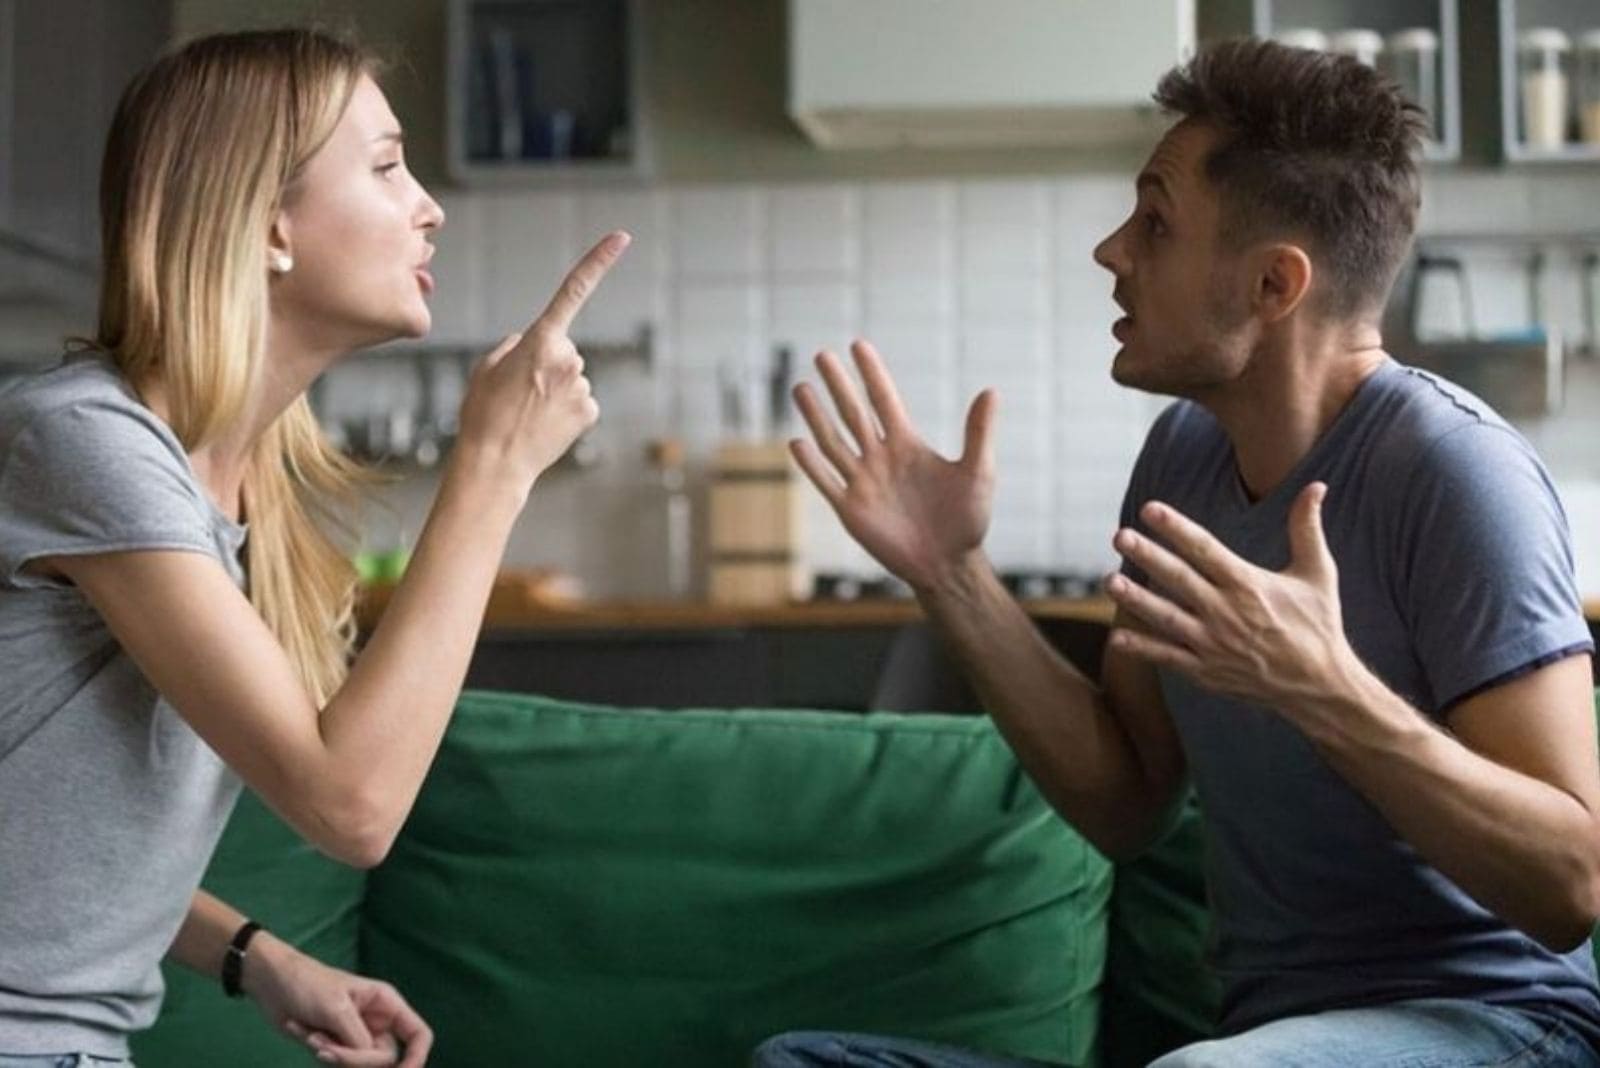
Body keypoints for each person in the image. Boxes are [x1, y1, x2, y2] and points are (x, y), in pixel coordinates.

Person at [755, 38, 1600, 1068]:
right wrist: (949, 571)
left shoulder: (1455, 473)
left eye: (1154, 222)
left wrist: (1324, 688)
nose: (1112, 252)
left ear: (1272, 285)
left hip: (1502, 1027)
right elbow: (1125, 797)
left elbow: (1570, 883)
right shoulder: (1183, 455)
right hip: (1254, 1045)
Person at [0, 28, 628, 1067]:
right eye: (386, 167)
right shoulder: (82, 441)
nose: (429, 205)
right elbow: (352, 810)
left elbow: (53, 832)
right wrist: (496, 467)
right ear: (265, 227)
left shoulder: (224, 490)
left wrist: (256, 955)